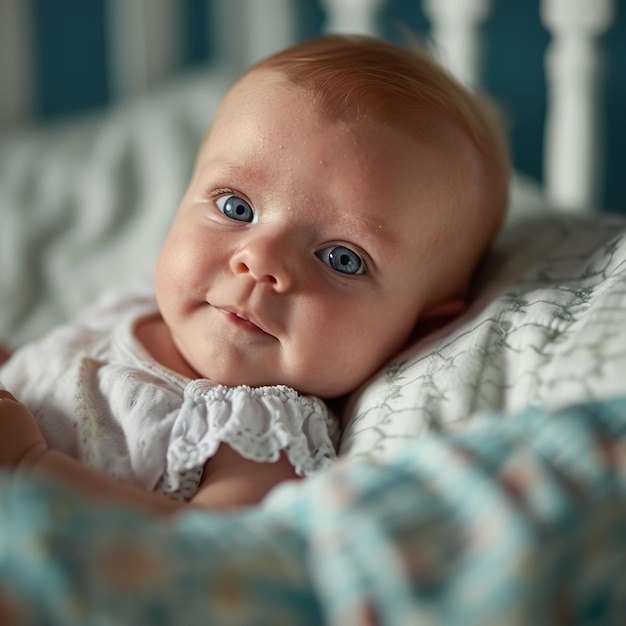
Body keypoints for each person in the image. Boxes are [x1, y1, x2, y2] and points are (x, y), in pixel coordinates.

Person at [0, 34, 510, 513]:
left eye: (342, 259)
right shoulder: (126, 311)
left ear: (419, 328)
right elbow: (37, 376)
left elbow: (209, 554)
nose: (259, 261)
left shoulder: (263, 434)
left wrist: (31, 468)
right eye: (236, 207)